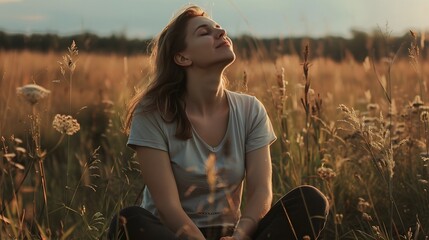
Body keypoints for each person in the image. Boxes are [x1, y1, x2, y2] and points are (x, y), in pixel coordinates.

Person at [109, 5, 329, 240]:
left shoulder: (250, 109)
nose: (221, 32)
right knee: (129, 221)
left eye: (219, 28)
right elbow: (167, 206)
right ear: (182, 57)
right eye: (204, 32)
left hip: (232, 234)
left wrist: (241, 235)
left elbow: (261, 192)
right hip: (174, 234)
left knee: (310, 201)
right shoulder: (152, 113)